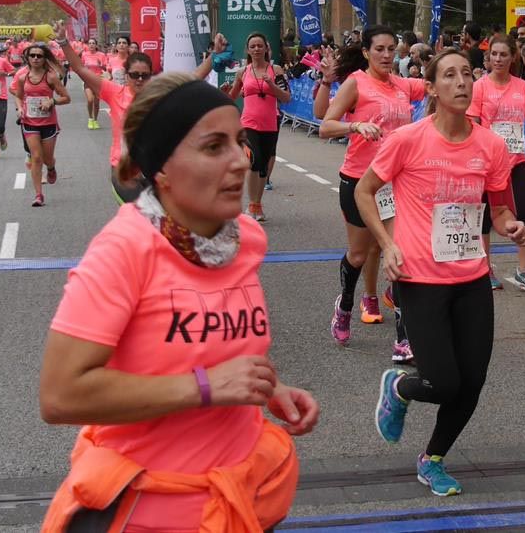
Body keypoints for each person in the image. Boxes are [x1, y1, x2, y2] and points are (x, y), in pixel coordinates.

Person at [38, 75, 319, 532]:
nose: (239, 160)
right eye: (214, 147)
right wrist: (205, 387)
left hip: (239, 501)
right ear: (162, 167)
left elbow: (218, 349)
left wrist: (267, 389)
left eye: (239, 141)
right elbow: (60, 395)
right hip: (148, 512)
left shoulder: (245, 238)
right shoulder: (124, 250)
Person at [360, 48, 525, 498]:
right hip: (420, 278)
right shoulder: (408, 140)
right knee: (442, 382)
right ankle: (401, 386)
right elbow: (365, 190)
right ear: (431, 88)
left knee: (471, 382)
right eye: (449, 76)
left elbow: (500, 208)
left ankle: (432, 459)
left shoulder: (491, 146)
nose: (461, 82)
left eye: (467, 74)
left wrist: (510, 226)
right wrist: (387, 243)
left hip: (472, 277)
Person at [319, 26, 425, 356]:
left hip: (396, 184)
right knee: (359, 255)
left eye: (391, 49)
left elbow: (435, 84)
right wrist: (355, 126)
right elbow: (324, 126)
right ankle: (347, 303)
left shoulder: (403, 85)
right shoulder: (356, 83)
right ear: (366, 52)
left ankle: (404, 338)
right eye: (379, 49)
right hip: (359, 182)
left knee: (400, 251)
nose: (385, 55)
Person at [61, 24, 214, 204]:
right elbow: (80, 69)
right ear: (126, 76)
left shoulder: (159, 94)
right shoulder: (114, 92)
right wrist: (64, 42)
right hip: (124, 169)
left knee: (163, 220)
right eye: (134, 75)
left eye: (144, 75)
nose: (139, 79)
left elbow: (193, 78)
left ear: (151, 76)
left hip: (155, 168)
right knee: (142, 213)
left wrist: (215, 54)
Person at [467, 35, 525, 293]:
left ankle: (524, 270)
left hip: (516, 159)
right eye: (494, 54)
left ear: (513, 56)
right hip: (487, 162)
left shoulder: (521, 86)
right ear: (488, 57)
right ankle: (485, 269)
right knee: (484, 218)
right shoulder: (479, 87)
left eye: (504, 54)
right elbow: (473, 121)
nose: (499, 59)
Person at [225, 33, 292, 222]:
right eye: (252, 46)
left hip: (270, 123)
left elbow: (286, 97)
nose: (256, 49)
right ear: (247, 50)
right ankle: (252, 204)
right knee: (253, 159)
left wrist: (271, 85)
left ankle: (257, 204)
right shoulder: (242, 72)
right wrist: (225, 93)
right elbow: (231, 97)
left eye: (259, 46)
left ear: (266, 49)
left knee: (263, 165)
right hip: (248, 123)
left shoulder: (275, 70)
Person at [10, 44, 71, 207]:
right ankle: (38, 195)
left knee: (47, 158)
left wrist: (53, 101)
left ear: (44, 59)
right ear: (28, 58)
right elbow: (18, 95)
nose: (35, 58)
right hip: (29, 122)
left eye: (39, 56)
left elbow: (67, 97)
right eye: (32, 56)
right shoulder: (23, 77)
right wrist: (20, 108)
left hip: (48, 123)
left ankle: (51, 168)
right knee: (36, 158)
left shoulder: (51, 77)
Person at [80, 38, 109, 130]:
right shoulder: (84, 55)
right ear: (88, 45)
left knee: (96, 103)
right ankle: (90, 118)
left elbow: (105, 68)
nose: (91, 45)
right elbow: (81, 67)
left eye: (93, 43)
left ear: (96, 45)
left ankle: (95, 120)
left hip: (98, 80)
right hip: (88, 80)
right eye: (90, 43)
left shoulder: (101, 55)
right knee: (90, 100)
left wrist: (100, 65)